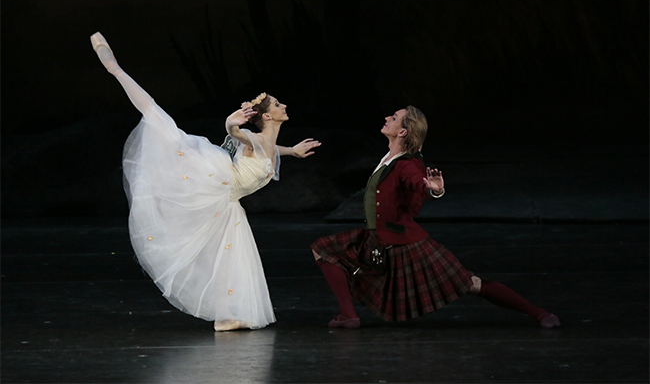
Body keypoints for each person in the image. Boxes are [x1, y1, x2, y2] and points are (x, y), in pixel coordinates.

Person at [90, 32, 320, 331]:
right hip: (214, 181)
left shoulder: (267, 142)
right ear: (267, 116)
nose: (283, 105)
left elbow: (270, 150)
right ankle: (116, 69)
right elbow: (239, 134)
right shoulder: (252, 139)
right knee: (161, 123)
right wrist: (230, 122)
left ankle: (226, 314)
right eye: (277, 104)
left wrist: (293, 151)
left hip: (227, 201)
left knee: (229, 258)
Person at [311, 106, 560, 329]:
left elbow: (417, 183)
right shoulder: (391, 158)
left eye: (395, 117)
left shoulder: (407, 164)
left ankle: (538, 313)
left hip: (405, 243)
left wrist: (434, 189)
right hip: (378, 238)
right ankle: (348, 315)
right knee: (324, 250)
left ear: (403, 132)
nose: (387, 117)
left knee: (472, 284)